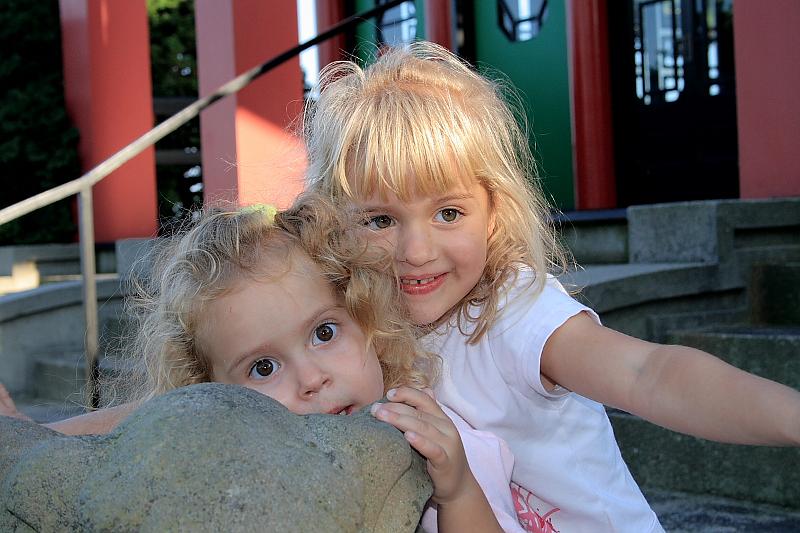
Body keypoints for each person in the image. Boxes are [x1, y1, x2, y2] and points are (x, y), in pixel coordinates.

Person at [304, 41, 800, 533]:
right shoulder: (354, 334)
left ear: (494, 212)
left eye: (448, 213)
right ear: (332, 224)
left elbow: (648, 373)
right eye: (379, 220)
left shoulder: (509, 313)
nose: (415, 250)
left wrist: (790, 416)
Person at [0, 196, 526, 533]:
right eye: (263, 368)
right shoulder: (221, 488)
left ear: (367, 320)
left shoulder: (442, 450)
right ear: (210, 398)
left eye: (324, 333)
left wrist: (455, 493)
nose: (312, 379)